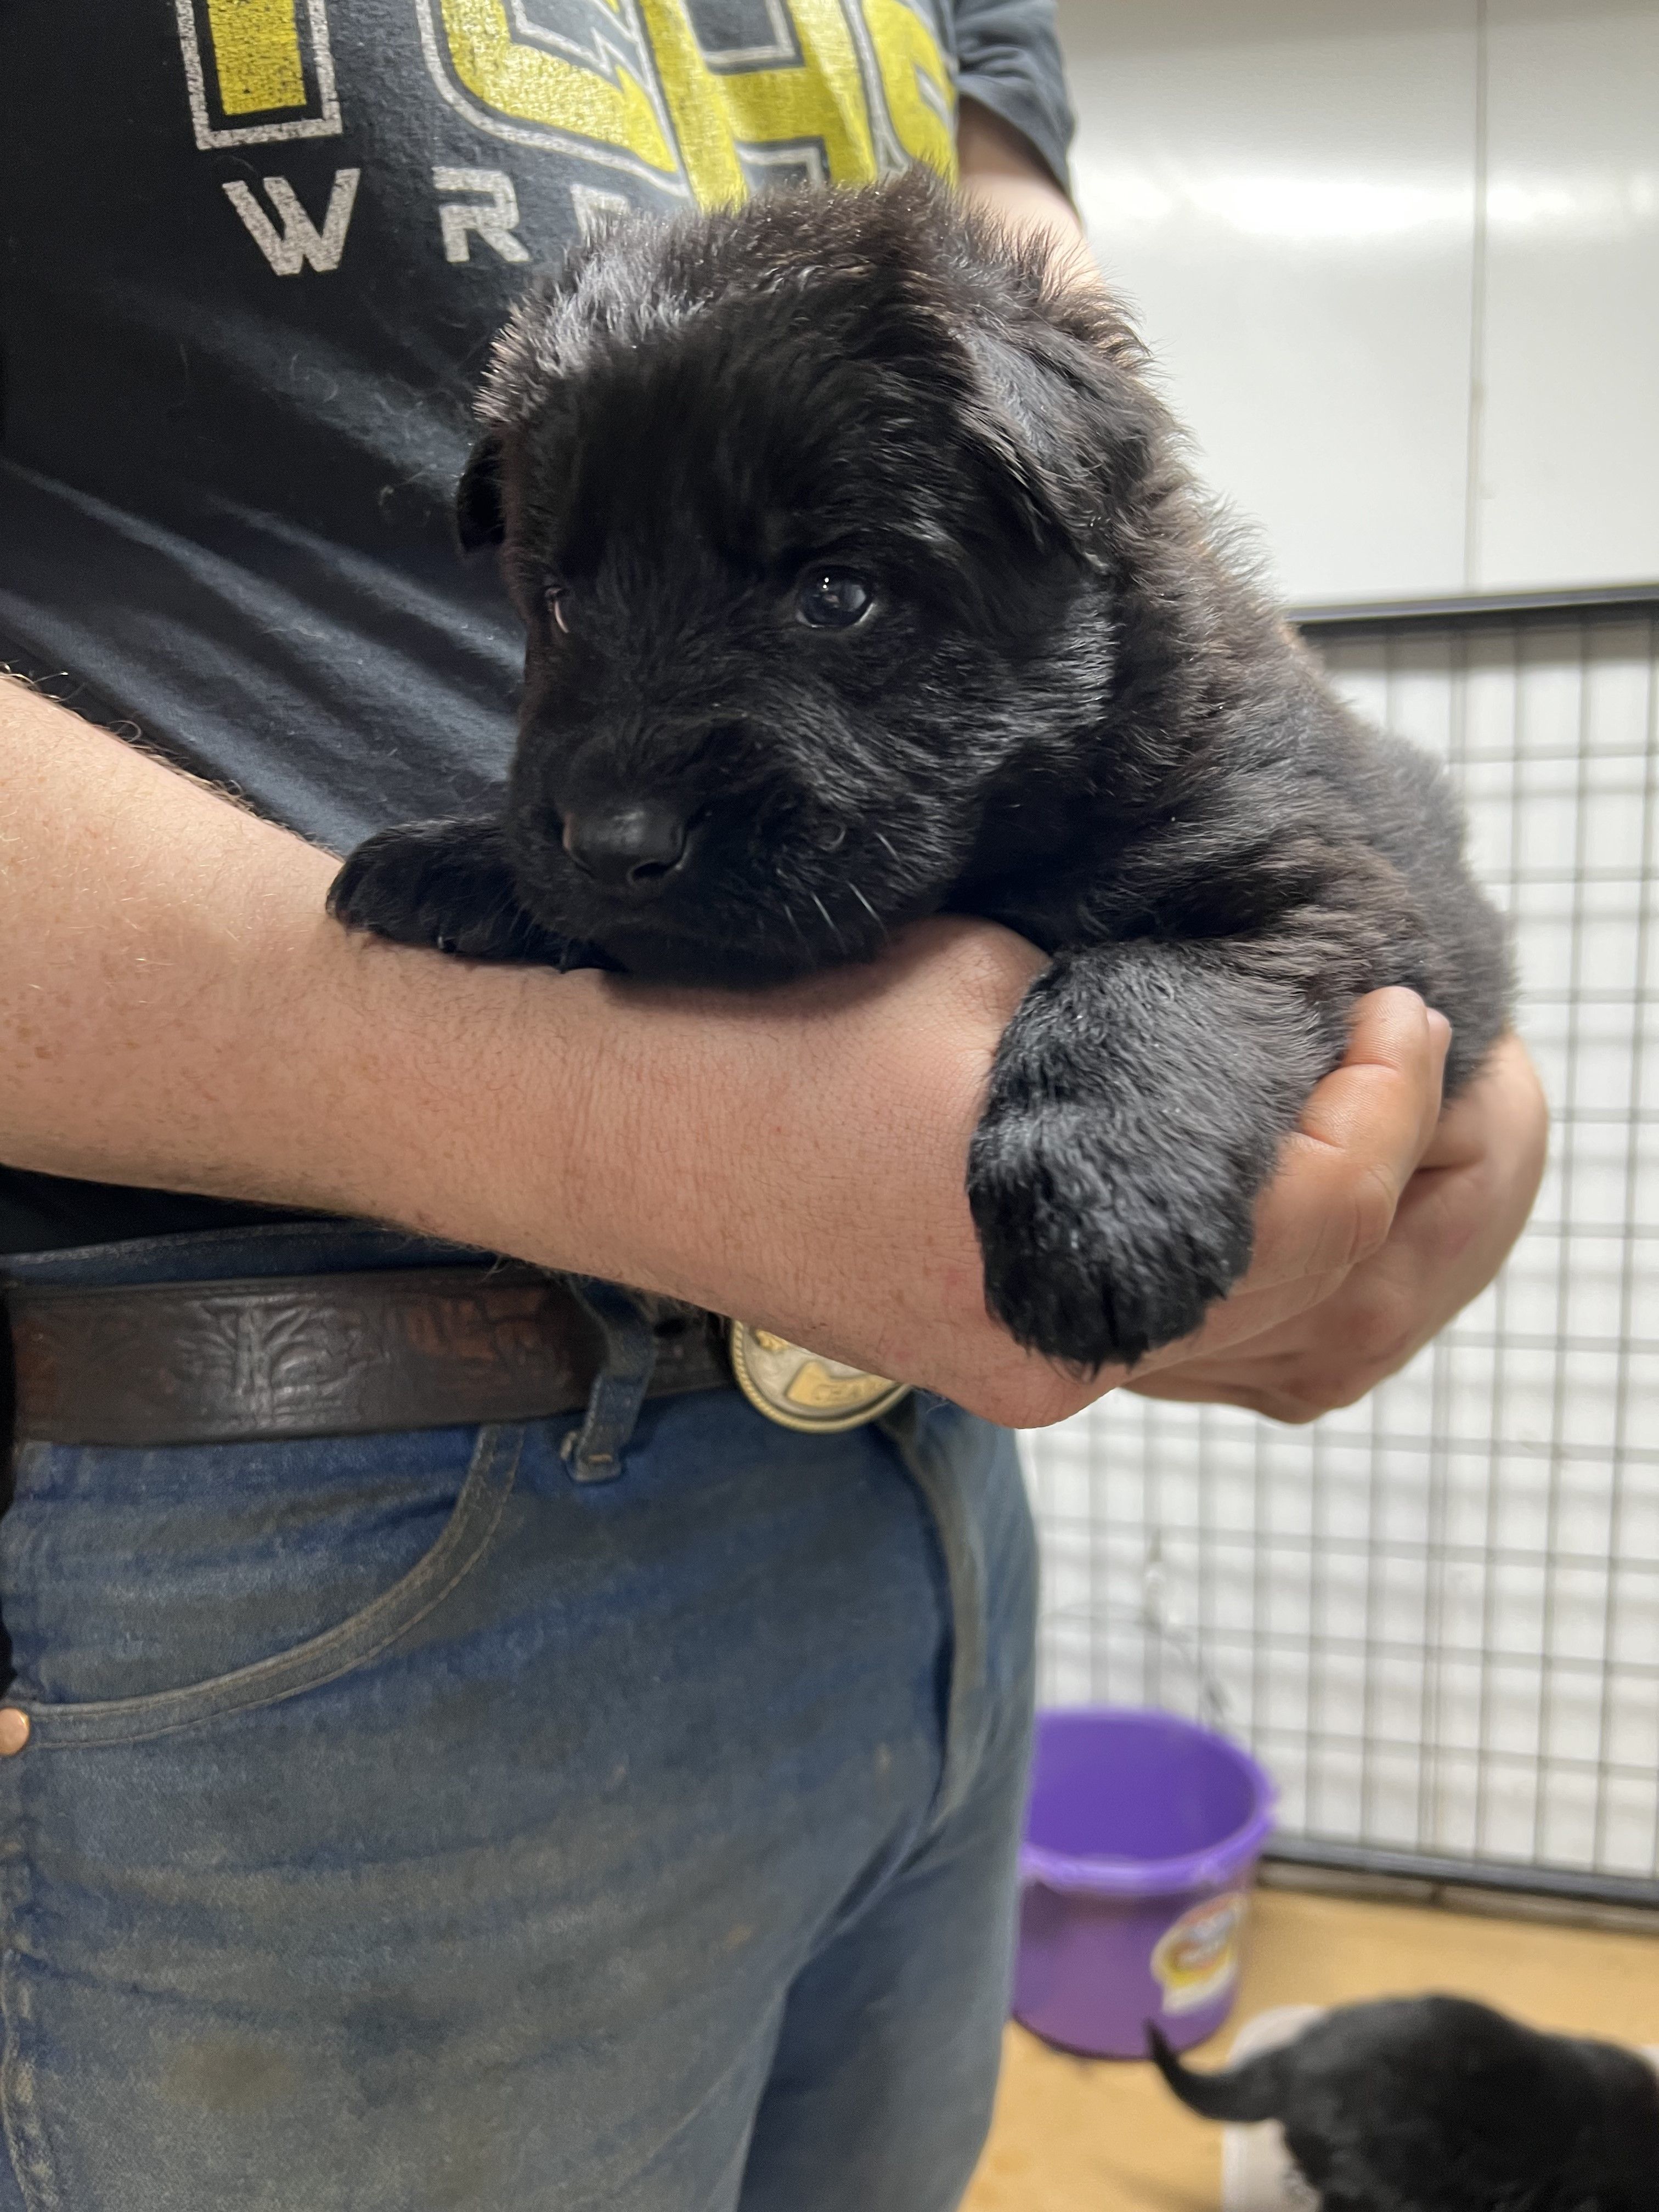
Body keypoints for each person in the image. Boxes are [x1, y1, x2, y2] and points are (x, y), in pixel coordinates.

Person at [0, 5, 1546, 2207]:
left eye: (834, 589)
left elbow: (1281, 848)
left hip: (920, 1504)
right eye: (563, 598)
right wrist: (555, 1068)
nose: (618, 781)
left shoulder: (1060, 445)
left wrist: (1403, 1073)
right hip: (294, 1540)